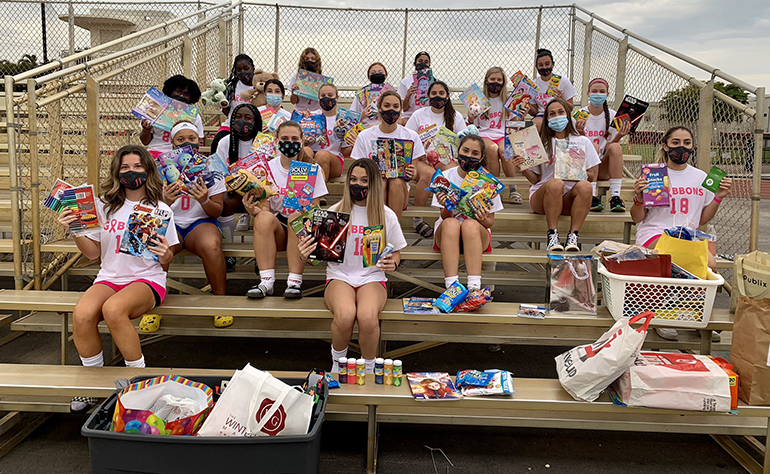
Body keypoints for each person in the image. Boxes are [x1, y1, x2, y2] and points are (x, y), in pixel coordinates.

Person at [58, 145, 176, 413]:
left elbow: (165, 260)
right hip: (109, 277)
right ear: (116, 171)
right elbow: (92, 254)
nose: (131, 172)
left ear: (147, 170)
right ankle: (92, 385)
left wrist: (167, 254)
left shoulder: (159, 209)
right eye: (125, 167)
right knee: (83, 314)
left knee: (113, 310)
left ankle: (139, 381)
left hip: (147, 279)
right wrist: (74, 229)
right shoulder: (103, 206)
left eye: (137, 166)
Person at [299, 158, 406, 375]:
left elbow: (397, 252)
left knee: (367, 317)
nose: (358, 185)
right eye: (354, 179)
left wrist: (392, 262)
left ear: (374, 183)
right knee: (346, 314)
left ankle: (367, 369)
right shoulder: (335, 213)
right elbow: (317, 256)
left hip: (372, 277)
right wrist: (305, 255)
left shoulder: (386, 214)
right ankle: (337, 365)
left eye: (365, 180)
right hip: (340, 276)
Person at [631, 125, 732, 341]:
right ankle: (662, 317)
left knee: (710, 265)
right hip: (655, 232)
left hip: (688, 236)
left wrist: (719, 196)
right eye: (675, 143)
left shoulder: (701, 177)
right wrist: (639, 198)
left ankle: (697, 316)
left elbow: (702, 219)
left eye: (686, 143)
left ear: (692, 146)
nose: (681, 147)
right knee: (672, 256)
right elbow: (636, 218)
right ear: (665, 146)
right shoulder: (654, 175)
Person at [244, 120, 328, 299]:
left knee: (296, 218)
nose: (290, 142)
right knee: (263, 218)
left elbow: (315, 211)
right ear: (276, 140)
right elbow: (265, 210)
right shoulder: (267, 168)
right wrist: (252, 210)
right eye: (284, 138)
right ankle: (266, 282)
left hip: (301, 227)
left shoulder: (313, 170)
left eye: (294, 138)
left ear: (302, 141)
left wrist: (304, 208)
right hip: (278, 227)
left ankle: (294, 282)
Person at [162, 122, 228, 327]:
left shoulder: (212, 167)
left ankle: (220, 302)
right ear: (172, 143)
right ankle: (151, 302)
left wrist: (204, 200)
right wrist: (164, 201)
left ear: (200, 140)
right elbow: (150, 208)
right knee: (158, 246)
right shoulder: (160, 168)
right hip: (171, 220)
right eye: (180, 139)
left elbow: (218, 210)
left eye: (191, 138)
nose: (186, 143)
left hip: (200, 222)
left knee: (211, 245)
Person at [515, 98, 600, 251]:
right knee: (556, 183)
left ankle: (573, 236)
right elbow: (535, 180)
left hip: (569, 199)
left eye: (561, 112)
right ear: (547, 119)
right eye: (552, 114)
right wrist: (523, 165)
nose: (557, 116)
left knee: (586, 187)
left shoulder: (582, 141)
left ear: (568, 115)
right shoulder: (540, 143)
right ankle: (552, 235)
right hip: (543, 197)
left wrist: (577, 170)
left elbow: (592, 176)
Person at [432, 134, 502, 290]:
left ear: (482, 157)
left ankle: (474, 287)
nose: (469, 156)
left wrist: (482, 217)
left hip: (476, 235)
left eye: (475, 153)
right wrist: (447, 206)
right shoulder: (444, 177)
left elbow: (490, 221)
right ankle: (452, 287)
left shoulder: (488, 183)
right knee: (451, 223)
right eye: (466, 150)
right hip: (448, 235)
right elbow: (443, 218)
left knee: (470, 224)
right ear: (458, 151)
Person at [406, 80, 466, 238]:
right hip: (421, 159)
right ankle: (417, 220)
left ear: (447, 96)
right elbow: (407, 138)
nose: (437, 96)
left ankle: (452, 215)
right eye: (434, 93)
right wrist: (420, 151)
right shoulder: (418, 115)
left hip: (445, 159)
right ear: (428, 95)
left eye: (441, 93)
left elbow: (464, 141)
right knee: (429, 174)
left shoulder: (455, 116)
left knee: (453, 173)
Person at [350, 90, 419, 221]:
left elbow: (414, 173)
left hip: (400, 189)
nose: (391, 110)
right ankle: (378, 229)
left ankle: (393, 231)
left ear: (400, 109)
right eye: (386, 106)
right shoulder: (365, 135)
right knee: (380, 181)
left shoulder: (411, 136)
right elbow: (356, 170)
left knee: (396, 181)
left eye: (395, 106)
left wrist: (410, 173)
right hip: (372, 188)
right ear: (379, 108)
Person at [467, 67, 523, 205]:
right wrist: (471, 117)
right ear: (487, 81)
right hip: (485, 134)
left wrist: (522, 114)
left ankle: (513, 188)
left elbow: (515, 123)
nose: (496, 82)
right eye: (493, 79)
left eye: (499, 80)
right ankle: (494, 188)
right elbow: (474, 124)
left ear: (503, 82)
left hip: (503, 134)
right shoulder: (478, 100)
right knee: (491, 149)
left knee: (505, 151)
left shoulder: (508, 99)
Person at [574, 78, 631, 212]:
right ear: (588, 94)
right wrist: (582, 134)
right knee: (592, 146)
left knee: (616, 147)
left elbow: (609, 147)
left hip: (603, 165)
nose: (598, 94)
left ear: (607, 94)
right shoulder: (579, 115)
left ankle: (615, 197)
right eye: (594, 91)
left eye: (601, 91)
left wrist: (619, 136)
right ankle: (592, 195)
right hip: (584, 167)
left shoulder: (613, 115)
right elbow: (575, 146)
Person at [214, 103, 261, 259]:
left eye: (248, 118)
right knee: (225, 203)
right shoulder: (225, 142)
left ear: (256, 121)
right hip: (233, 191)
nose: (242, 121)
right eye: (238, 117)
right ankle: (228, 250)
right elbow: (219, 173)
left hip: (260, 191)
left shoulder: (263, 143)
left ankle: (261, 254)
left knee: (266, 208)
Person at [140, 75, 204, 155]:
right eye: (178, 91)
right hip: (156, 152)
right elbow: (145, 142)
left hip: (182, 155)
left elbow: (198, 141)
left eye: (186, 94)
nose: (181, 96)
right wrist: (146, 130)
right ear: (170, 91)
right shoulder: (156, 110)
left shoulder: (195, 116)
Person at [210, 54, 255, 154]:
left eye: (246, 68)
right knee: (216, 143)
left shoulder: (259, 85)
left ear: (253, 68)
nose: (243, 72)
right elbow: (226, 111)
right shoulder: (231, 86)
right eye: (239, 70)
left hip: (253, 126)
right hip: (231, 125)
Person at [529, 49, 576, 132]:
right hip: (542, 114)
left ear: (553, 64)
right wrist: (526, 103)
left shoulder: (563, 81)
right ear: (536, 67)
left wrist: (562, 99)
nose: (544, 67)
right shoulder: (533, 84)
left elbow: (570, 108)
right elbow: (534, 112)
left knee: (571, 123)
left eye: (547, 64)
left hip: (560, 113)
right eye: (540, 65)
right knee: (536, 124)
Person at [313, 83, 349, 183]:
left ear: (337, 98)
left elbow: (345, 151)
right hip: (312, 156)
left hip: (334, 159)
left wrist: (355, 141)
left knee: (322, 155)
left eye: (330, 95)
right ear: (318, 98)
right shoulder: (312, 117)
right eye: (323, 96)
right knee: (306, 150)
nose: (326, 98)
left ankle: (320, 196)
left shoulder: (343, 120)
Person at [350, 62, 390, 128]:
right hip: (365, 129)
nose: (377, 74)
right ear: (369, 77)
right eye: (373, 73)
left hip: (385, 128)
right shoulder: (361, 94)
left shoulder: (391, 93)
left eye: (380, 72)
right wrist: (362, 115)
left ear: (386, 76)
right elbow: (351, 119)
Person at [397, 51, 432, 125]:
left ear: (429, 65)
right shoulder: (406, 81)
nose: (423, 63)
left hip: (428, 116)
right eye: (420, 61)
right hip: (410, 116)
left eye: (426, 62)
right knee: (402, 122)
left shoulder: (433, 82)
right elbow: (404, 108)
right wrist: (408, 95)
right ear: (414, 63)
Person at [289, 47, 324, 113]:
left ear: (317, 61)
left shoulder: (321, 79)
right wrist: (294, 92)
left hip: (316, 112)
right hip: (299, 112)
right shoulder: (297, 77)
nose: (310, 60)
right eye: (307, 59)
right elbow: (293, 102)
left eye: (313, 59)